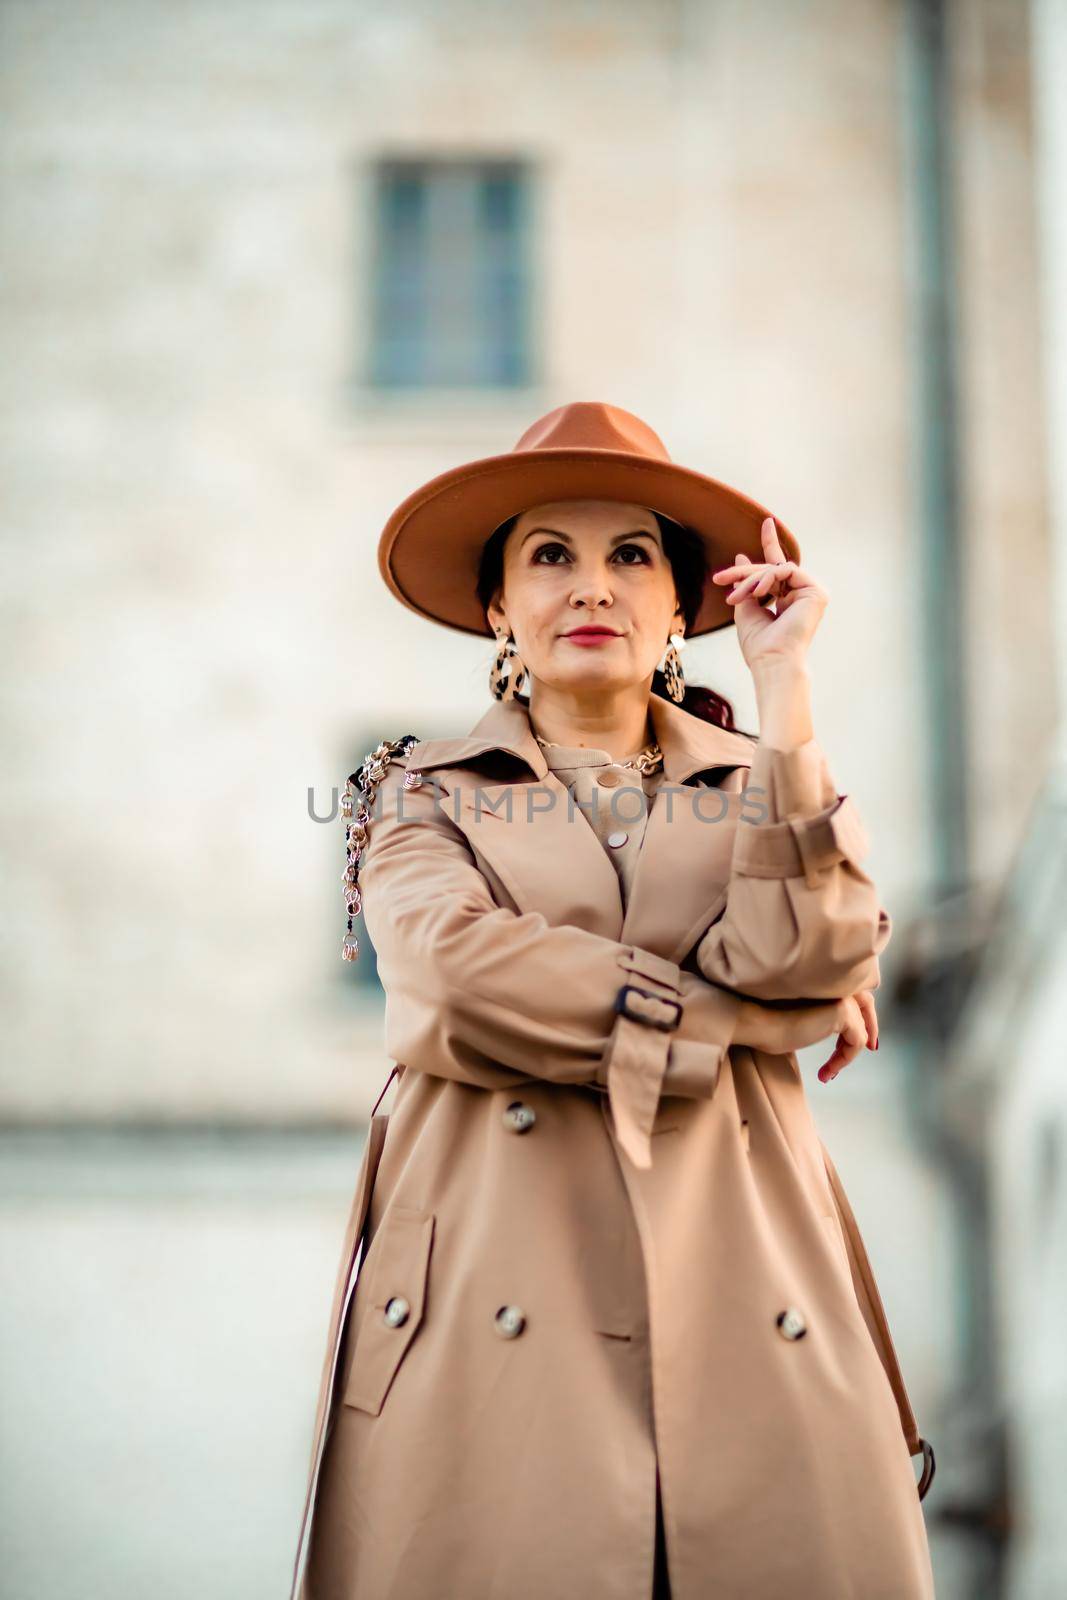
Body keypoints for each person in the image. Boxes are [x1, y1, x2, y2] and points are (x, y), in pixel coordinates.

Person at [291, 403, 936, 1600]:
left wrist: (783, 686)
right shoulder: (414, 791)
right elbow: (450, 979)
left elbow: (815, 951)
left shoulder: (765, 779)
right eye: (549, 555)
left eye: (629, 555)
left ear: (676, 603)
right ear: (497, 609)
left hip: (749, 1281)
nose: (591, 585)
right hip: (484, 1296)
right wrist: (748, 1017)